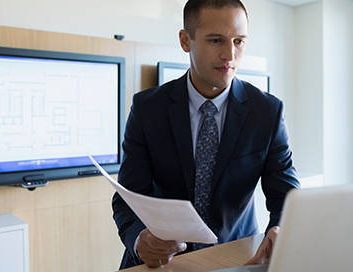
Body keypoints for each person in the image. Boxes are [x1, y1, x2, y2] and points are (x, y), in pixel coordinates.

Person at [112, 0, 299, 269]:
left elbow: (287, 197)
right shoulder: (147, 109)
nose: (230, 55)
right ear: (185, 40)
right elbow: (128, 197)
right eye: (216, 40)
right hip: (159, 262)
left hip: (236, 258)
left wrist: (281, 230)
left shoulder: (267, 112)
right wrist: (139, 240)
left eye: (239, 41)